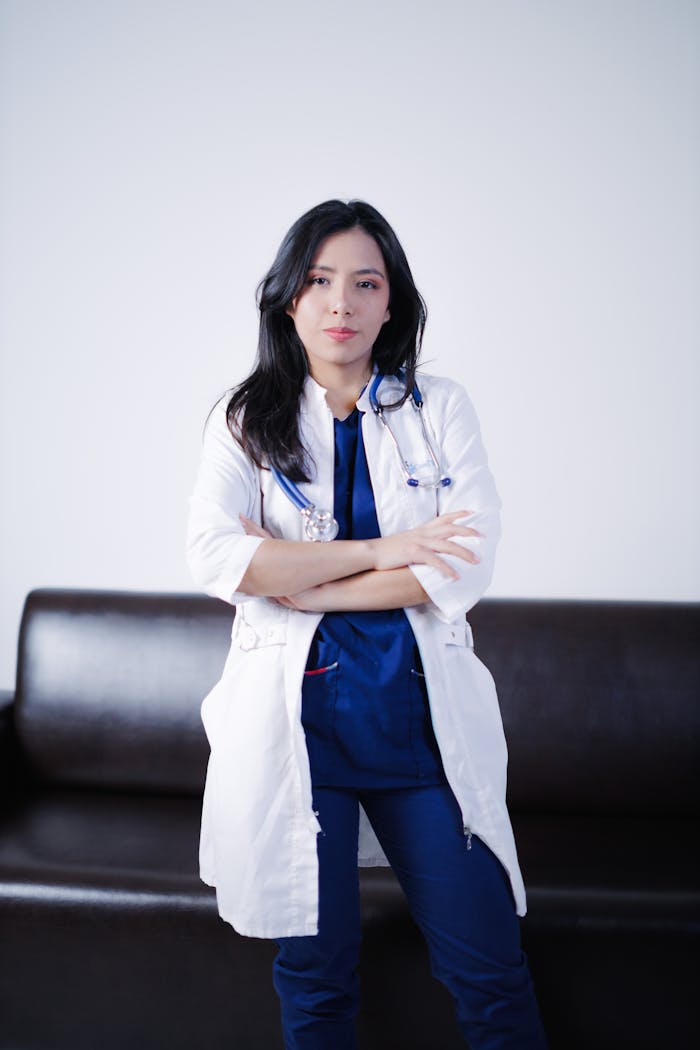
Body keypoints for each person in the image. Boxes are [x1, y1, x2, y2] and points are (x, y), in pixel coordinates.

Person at [186, 199, 547, 1049]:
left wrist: (307, 583)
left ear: (393, 304)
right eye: (318, 281)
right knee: (315, 982)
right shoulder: (245, 420)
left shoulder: (439, 408)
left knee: (490, 971)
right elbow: (217, 557)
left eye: (365, 283)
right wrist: (388, 550)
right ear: (288, 300)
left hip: (418, 734)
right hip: (297, 738)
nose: (340, 303)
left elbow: (459, 562)